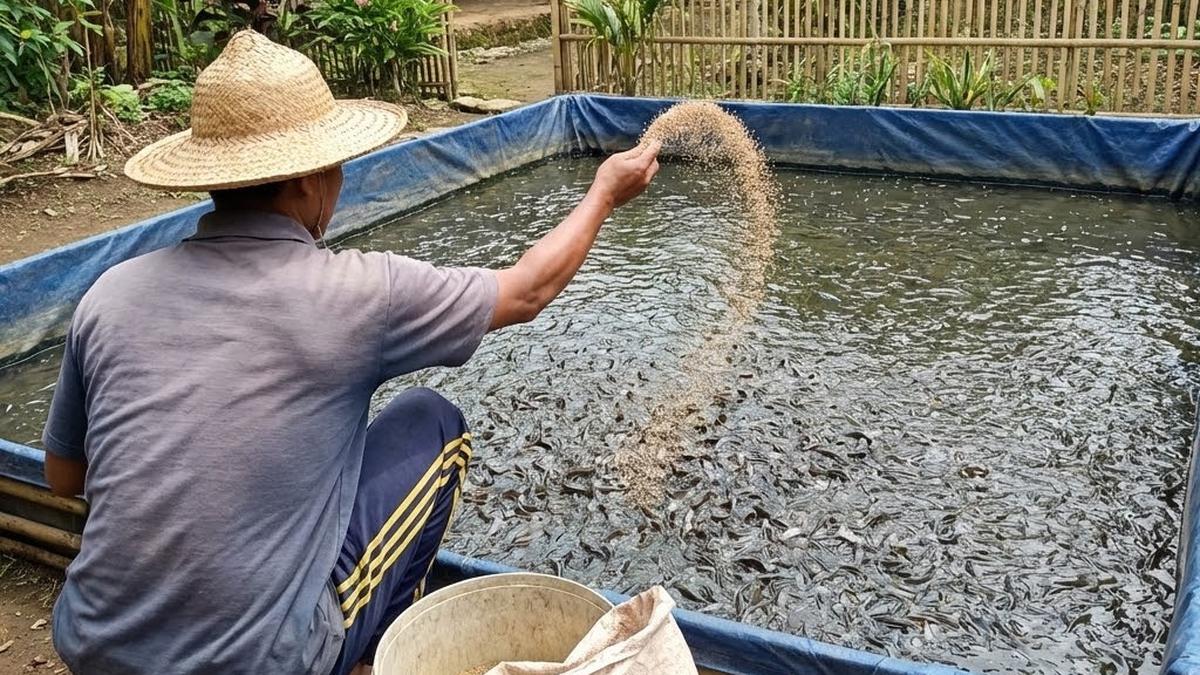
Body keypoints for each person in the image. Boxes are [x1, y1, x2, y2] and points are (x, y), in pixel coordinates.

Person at [41, 30, 660, 675]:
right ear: (312, 181)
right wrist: (603, 193)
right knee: (430, 421)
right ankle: (373, 654)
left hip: (94, 645)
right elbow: (527, 291)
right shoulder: (357, 293)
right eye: (337, 169)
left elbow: (64, 477)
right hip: (262, 662)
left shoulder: (110, 294)